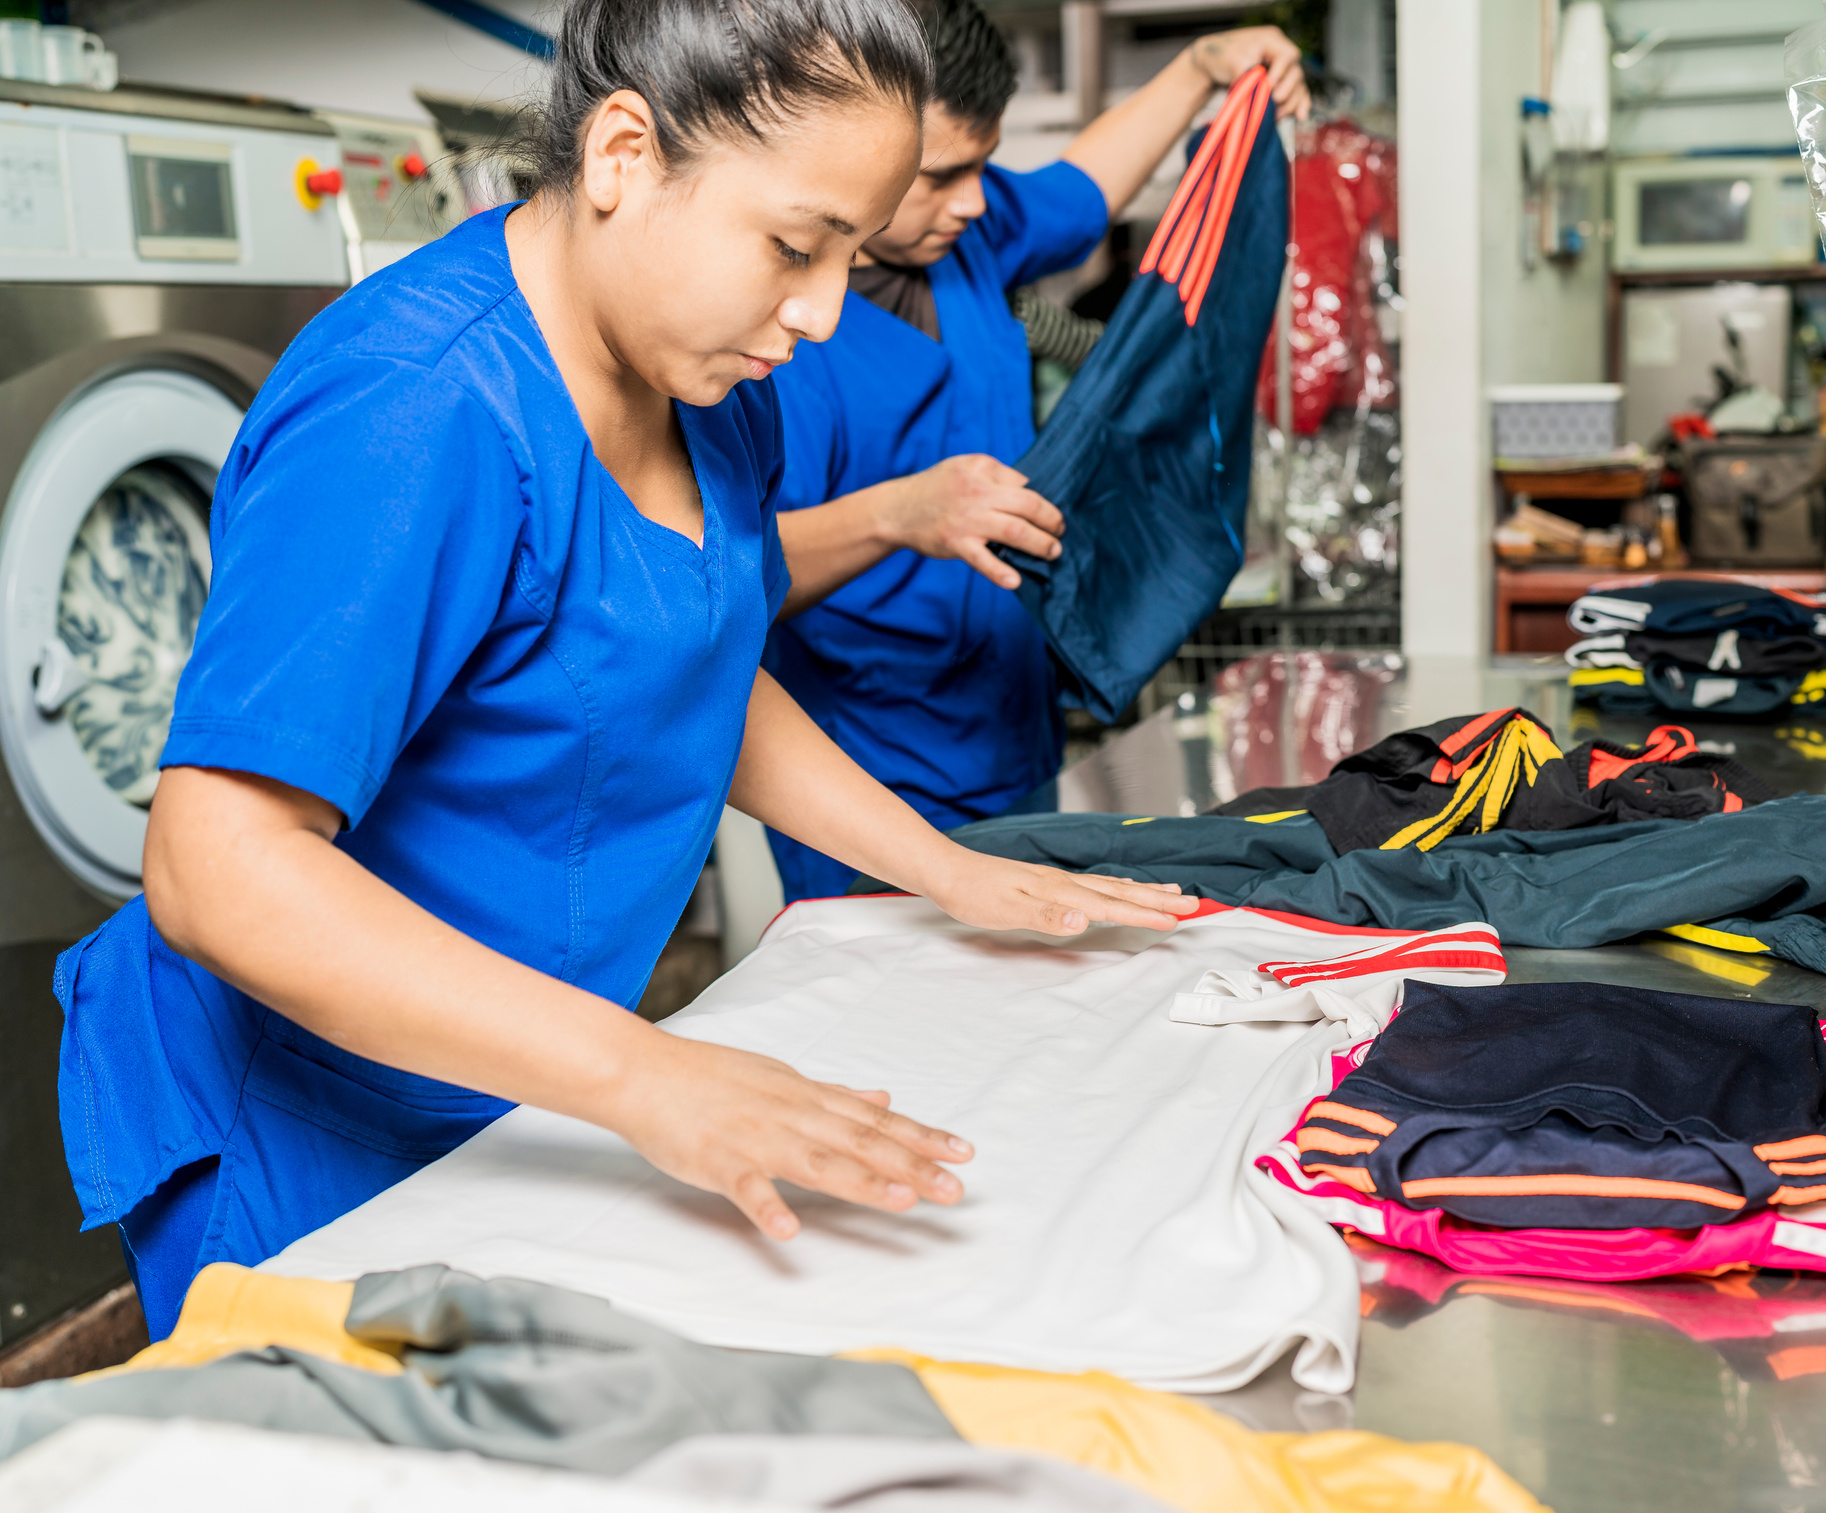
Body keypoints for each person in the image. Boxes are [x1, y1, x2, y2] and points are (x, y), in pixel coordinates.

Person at [53, 0, 1197, 1342]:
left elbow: (702, 662)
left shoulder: (716, 388)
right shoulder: (416, 409)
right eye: (791, 246)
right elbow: (217, 867)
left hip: (524, 1090)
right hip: (312, 1117)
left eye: (847, 255)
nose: (822, 314)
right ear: (621, 156)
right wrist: (645, 1074)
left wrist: (943, 868)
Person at [760, 0, 1311, 902]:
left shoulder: (967, 237)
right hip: (874, 792)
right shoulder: (775, 345)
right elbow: (726, 576)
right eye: (940, 174)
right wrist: (899, 512)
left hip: (1019, 741)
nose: (973, 198)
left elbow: (1086, 183)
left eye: (982, 163)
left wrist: (1206, 64)